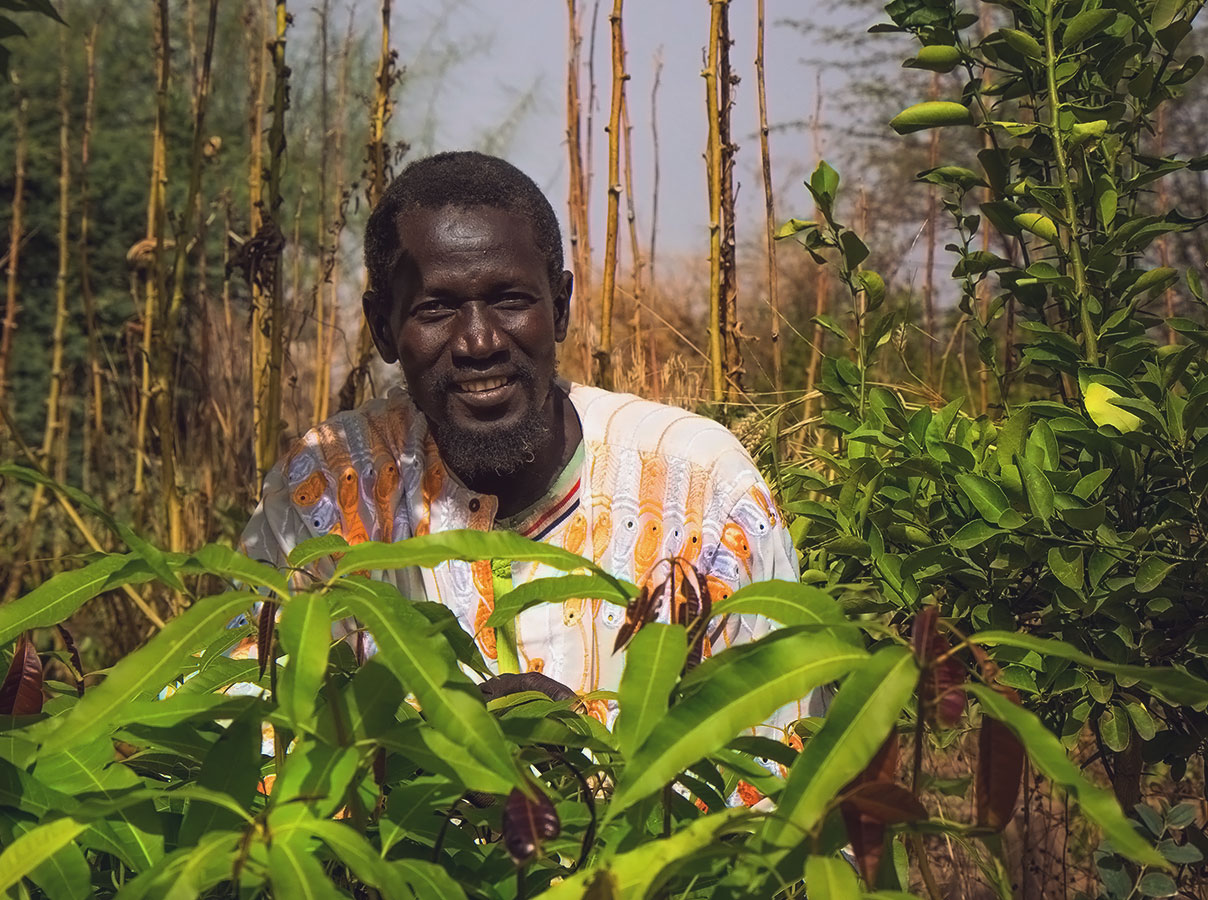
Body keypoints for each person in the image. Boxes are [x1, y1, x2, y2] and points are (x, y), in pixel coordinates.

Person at [236, 151, 815, 798]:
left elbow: (779, 783)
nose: (479, 342)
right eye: (436, 309)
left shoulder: (701, 491)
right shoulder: (322, 495)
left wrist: (593, 762)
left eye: (510, 300)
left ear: (560, 307)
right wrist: (416, 763)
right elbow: (243, 740)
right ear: (383, 328)